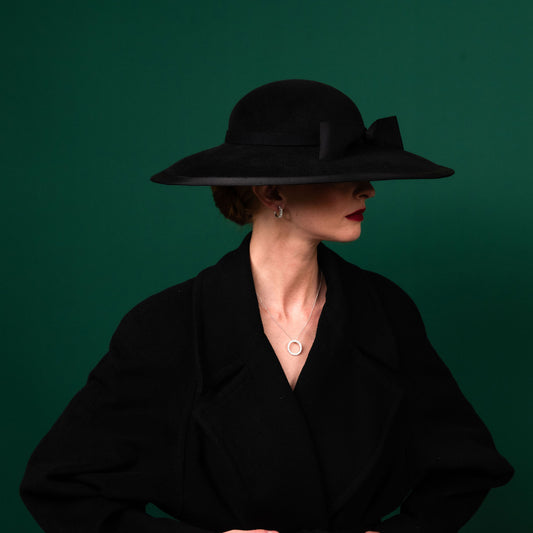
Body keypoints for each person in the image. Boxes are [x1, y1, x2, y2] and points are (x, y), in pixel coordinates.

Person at [20, 79, 514, 533]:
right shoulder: (168, 325)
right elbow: (61, 487)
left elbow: (467, 465)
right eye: (343, 174)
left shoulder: (384, 311)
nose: (368, 188)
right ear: (272, 191)